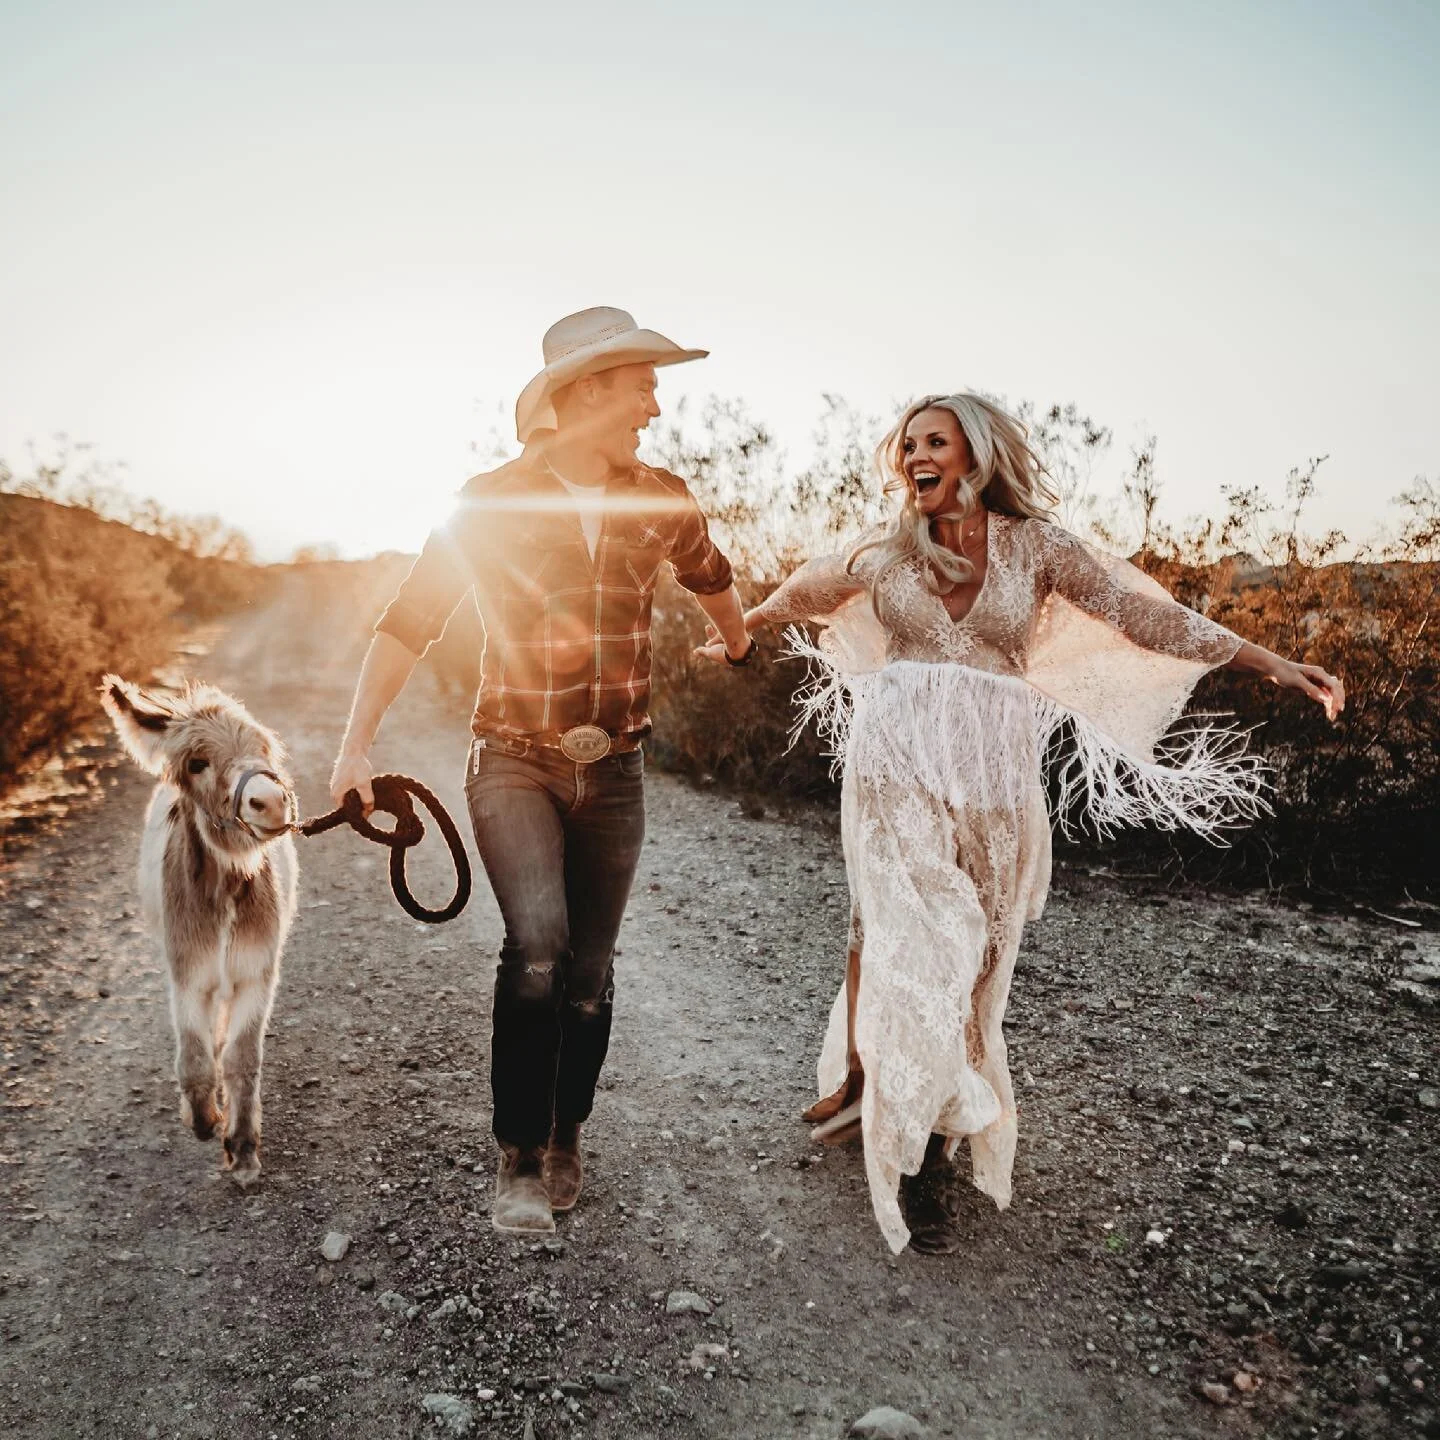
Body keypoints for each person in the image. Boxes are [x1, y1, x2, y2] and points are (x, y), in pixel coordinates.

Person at [699, 393, 1343, 1254]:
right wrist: (734, 635)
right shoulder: (885, 550)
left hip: (994, 776)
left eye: (936, 440)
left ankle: (904, 1088)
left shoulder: (1038, 548)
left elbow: (1143, 614)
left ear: (978, 453)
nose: (915, 456)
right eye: (908, 445)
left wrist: (1266, 661)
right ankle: (917, 1159)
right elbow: (800, 592)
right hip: (896, 764)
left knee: (976, 955)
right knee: (919, 935)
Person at [330, 307, 755, 1235]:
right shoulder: (489, 500)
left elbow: (709, 569)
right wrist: (355, 746)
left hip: (619, 771)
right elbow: (411, 620)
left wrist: (736, 641)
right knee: (537, 948)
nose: (653, 399)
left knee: (592, 971)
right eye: (641, 379)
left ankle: (567, 1134)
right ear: (586, 391)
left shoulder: (662, 494)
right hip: (513, 761)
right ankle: (518, 1153)